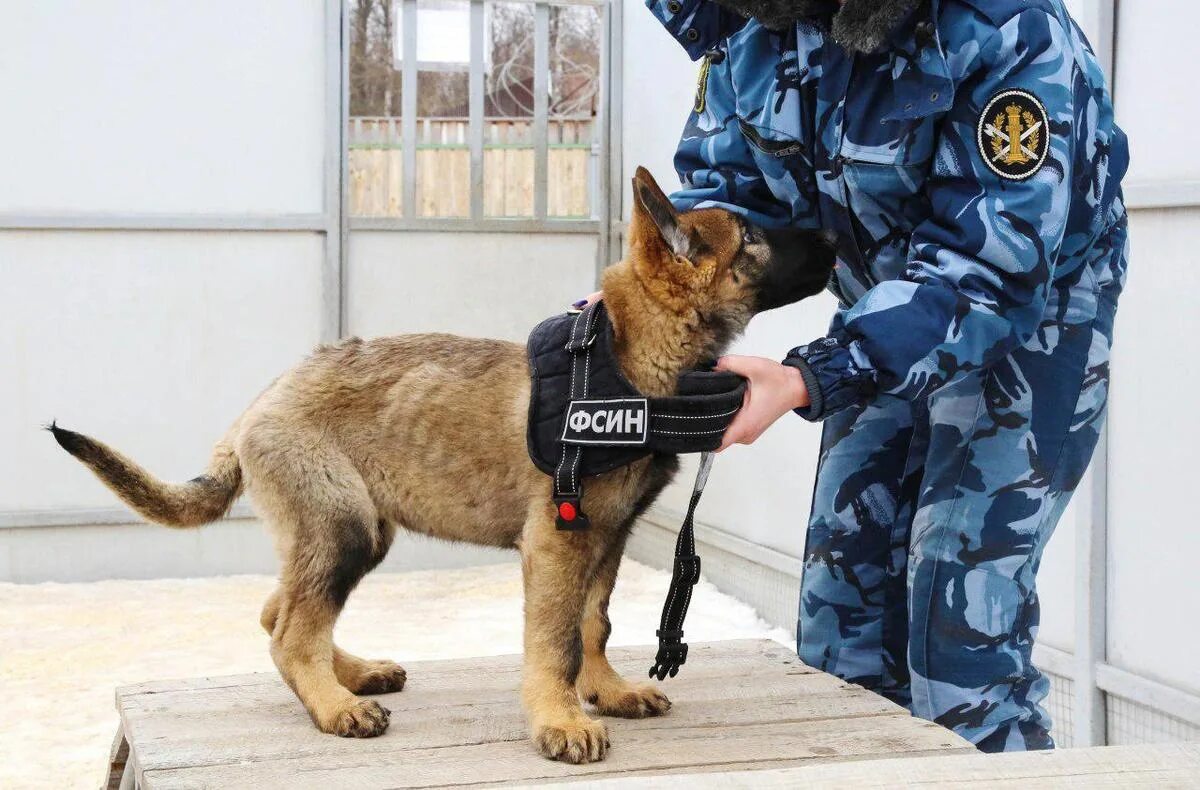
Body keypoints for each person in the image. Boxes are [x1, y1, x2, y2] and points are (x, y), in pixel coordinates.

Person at [634, 0, 1128, 752]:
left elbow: (986, 271)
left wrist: (810, 377)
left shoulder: (1007, 33)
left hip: (1033, 315)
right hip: (880, 308)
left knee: (957, 626)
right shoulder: (755, 24)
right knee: (842, 617)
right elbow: (729, 195)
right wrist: (648, 324)